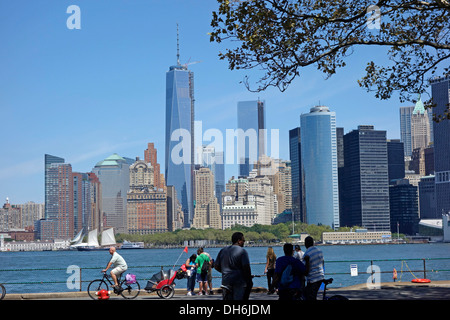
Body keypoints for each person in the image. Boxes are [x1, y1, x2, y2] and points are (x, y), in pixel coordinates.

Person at [214, 232, 252, 300]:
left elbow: (216, 266)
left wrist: (225, 272)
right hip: (239, 281)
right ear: (239, 241)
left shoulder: (223, 250)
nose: (244, 242)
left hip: (226, 280)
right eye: (243, 240)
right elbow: (246, 267)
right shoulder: (242, 251)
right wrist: (249, 280)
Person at [303, 236, 325, 300]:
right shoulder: (319, 251)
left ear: (306, 244)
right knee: (311, 295)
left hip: (313, 278)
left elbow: (306, 268)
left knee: (308, 296)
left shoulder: (307, 253)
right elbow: (322, 263)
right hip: (320, 276)